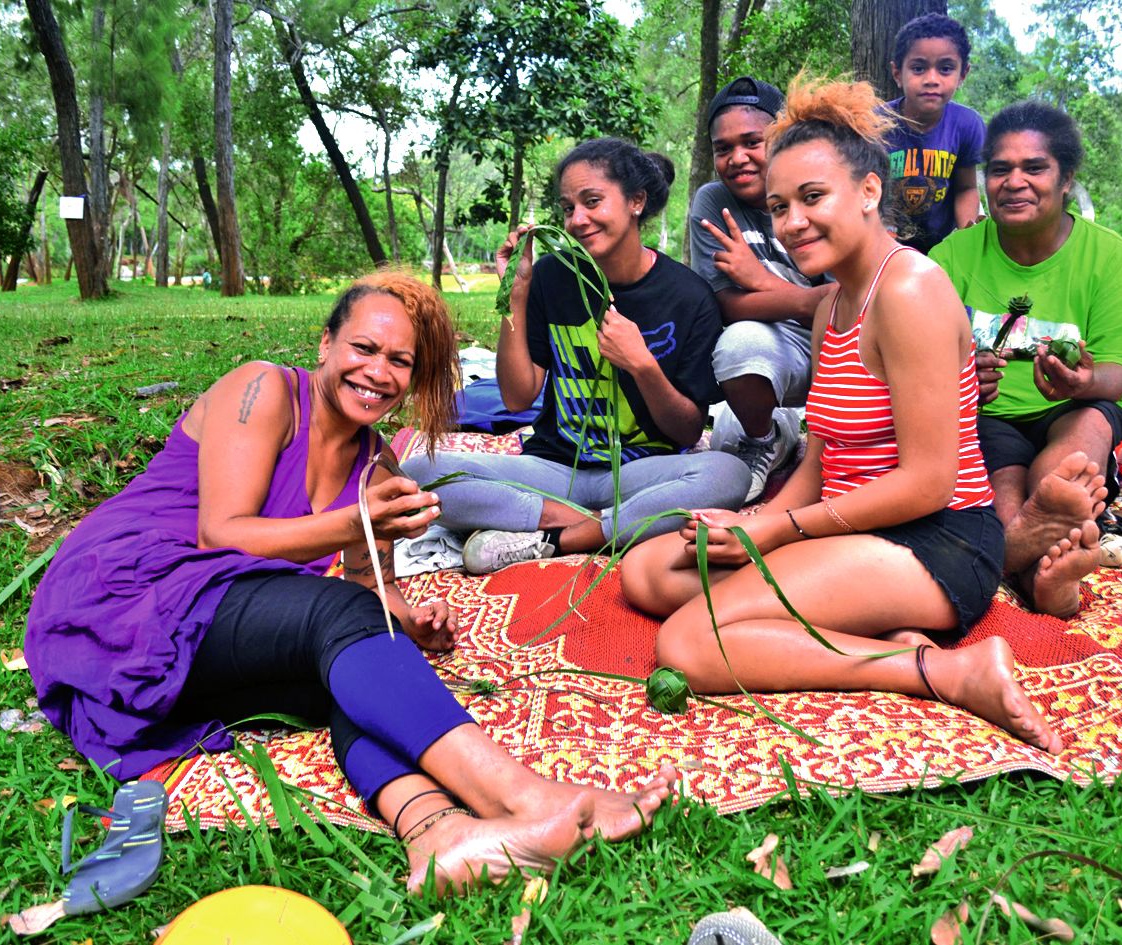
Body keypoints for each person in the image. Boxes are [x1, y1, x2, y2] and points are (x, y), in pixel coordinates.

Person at [25, 272, 677, 894]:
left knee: (360, 673)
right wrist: (356, 522)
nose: (377, 371)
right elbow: (222, 536)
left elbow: (371, 591)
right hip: (129, 593)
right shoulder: (263, 389)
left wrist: (407, 619)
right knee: (335, 622)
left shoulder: (377, 463)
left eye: (400, 361)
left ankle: (434, 829)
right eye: (363, 347)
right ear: (326, 343)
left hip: (209, 632)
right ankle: (527, 798)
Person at [620, 75, 1063, 756]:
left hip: (935, 539)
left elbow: (927, 483)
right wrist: (755, 521)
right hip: (850, 525)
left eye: (811, 197)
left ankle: (941, 668)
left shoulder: (909, 288)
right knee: (648, 572)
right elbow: (824, 456)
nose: (790, 220)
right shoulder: (831, 303)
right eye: (777, 205)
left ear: (867, 191)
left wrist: (777, 529)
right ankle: (879, 627)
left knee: (688, 641)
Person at [405, 138, 750, 575]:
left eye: (592, 201)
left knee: (728, 474)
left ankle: (562, 539)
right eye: (568, 208)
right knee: (418, 472)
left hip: (640, 476)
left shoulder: (689, 297)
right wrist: (517, 294)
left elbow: (684, 431)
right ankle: (573, 523)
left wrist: (642, 364)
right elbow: (516, 398)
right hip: (554, 471)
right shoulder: (552, 278)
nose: (578, 220)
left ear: (636, 202)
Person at [930, 101, 1122, 618]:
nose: (1015, 182)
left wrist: (1082, 381)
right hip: (991, 418)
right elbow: (920, 357)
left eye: (1034, 168)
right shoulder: (951, 258)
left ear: (1066, 178)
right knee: (1001, 476)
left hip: (1084, 409)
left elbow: (1120, 373)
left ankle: (1019, 542)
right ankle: (1046, 578)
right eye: (1001, 168)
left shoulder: (1111, 259)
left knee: (1082, 441)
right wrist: (960, 377)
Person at [690, 77, 832, 502]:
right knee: (737, 349)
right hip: (776, 340)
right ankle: (768, 435)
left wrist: (759, 280)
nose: (738, 158)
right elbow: (727, 304)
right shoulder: (713, 202)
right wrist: (811, 300)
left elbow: (853, 304)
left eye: (753, 141)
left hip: (847, 345)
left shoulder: (822, 188)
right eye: (722, 148)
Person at [883, 13, 985, 254]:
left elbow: (966, 188)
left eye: (945, 69)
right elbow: (862, 191)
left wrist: (966, 241)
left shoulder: (967, 125)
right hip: (886, 243)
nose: (931, 79)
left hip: (944, 243)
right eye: (918, 68)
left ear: (963, 74)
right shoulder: (876, 124)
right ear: (897, 73)